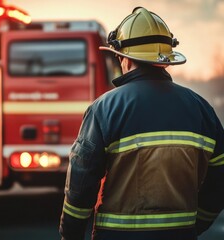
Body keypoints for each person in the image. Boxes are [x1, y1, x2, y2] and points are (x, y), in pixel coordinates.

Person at [59, 7, 224, 240]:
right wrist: (196, 225)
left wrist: (70, 235)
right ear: (166, 59)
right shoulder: (201, 109)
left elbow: (81, 183)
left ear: (124, 59)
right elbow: (219, 183)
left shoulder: (104, 108)